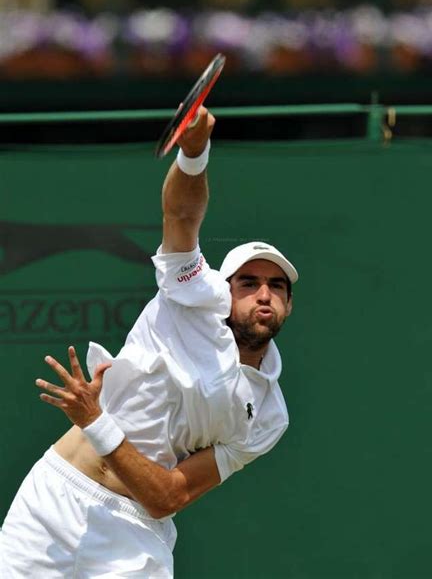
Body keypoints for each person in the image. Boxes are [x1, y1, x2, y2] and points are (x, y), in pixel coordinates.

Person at [0, 106, 298, 578]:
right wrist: (195, 151)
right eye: (249, 282)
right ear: (224, 288)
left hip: (134, 535)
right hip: (51, 505)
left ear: (288, 306)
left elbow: (167, 497)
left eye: (277, 286)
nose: (264, 293)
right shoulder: (193, 294)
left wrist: (95, 421)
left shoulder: (268, 416)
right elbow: (181, 212)